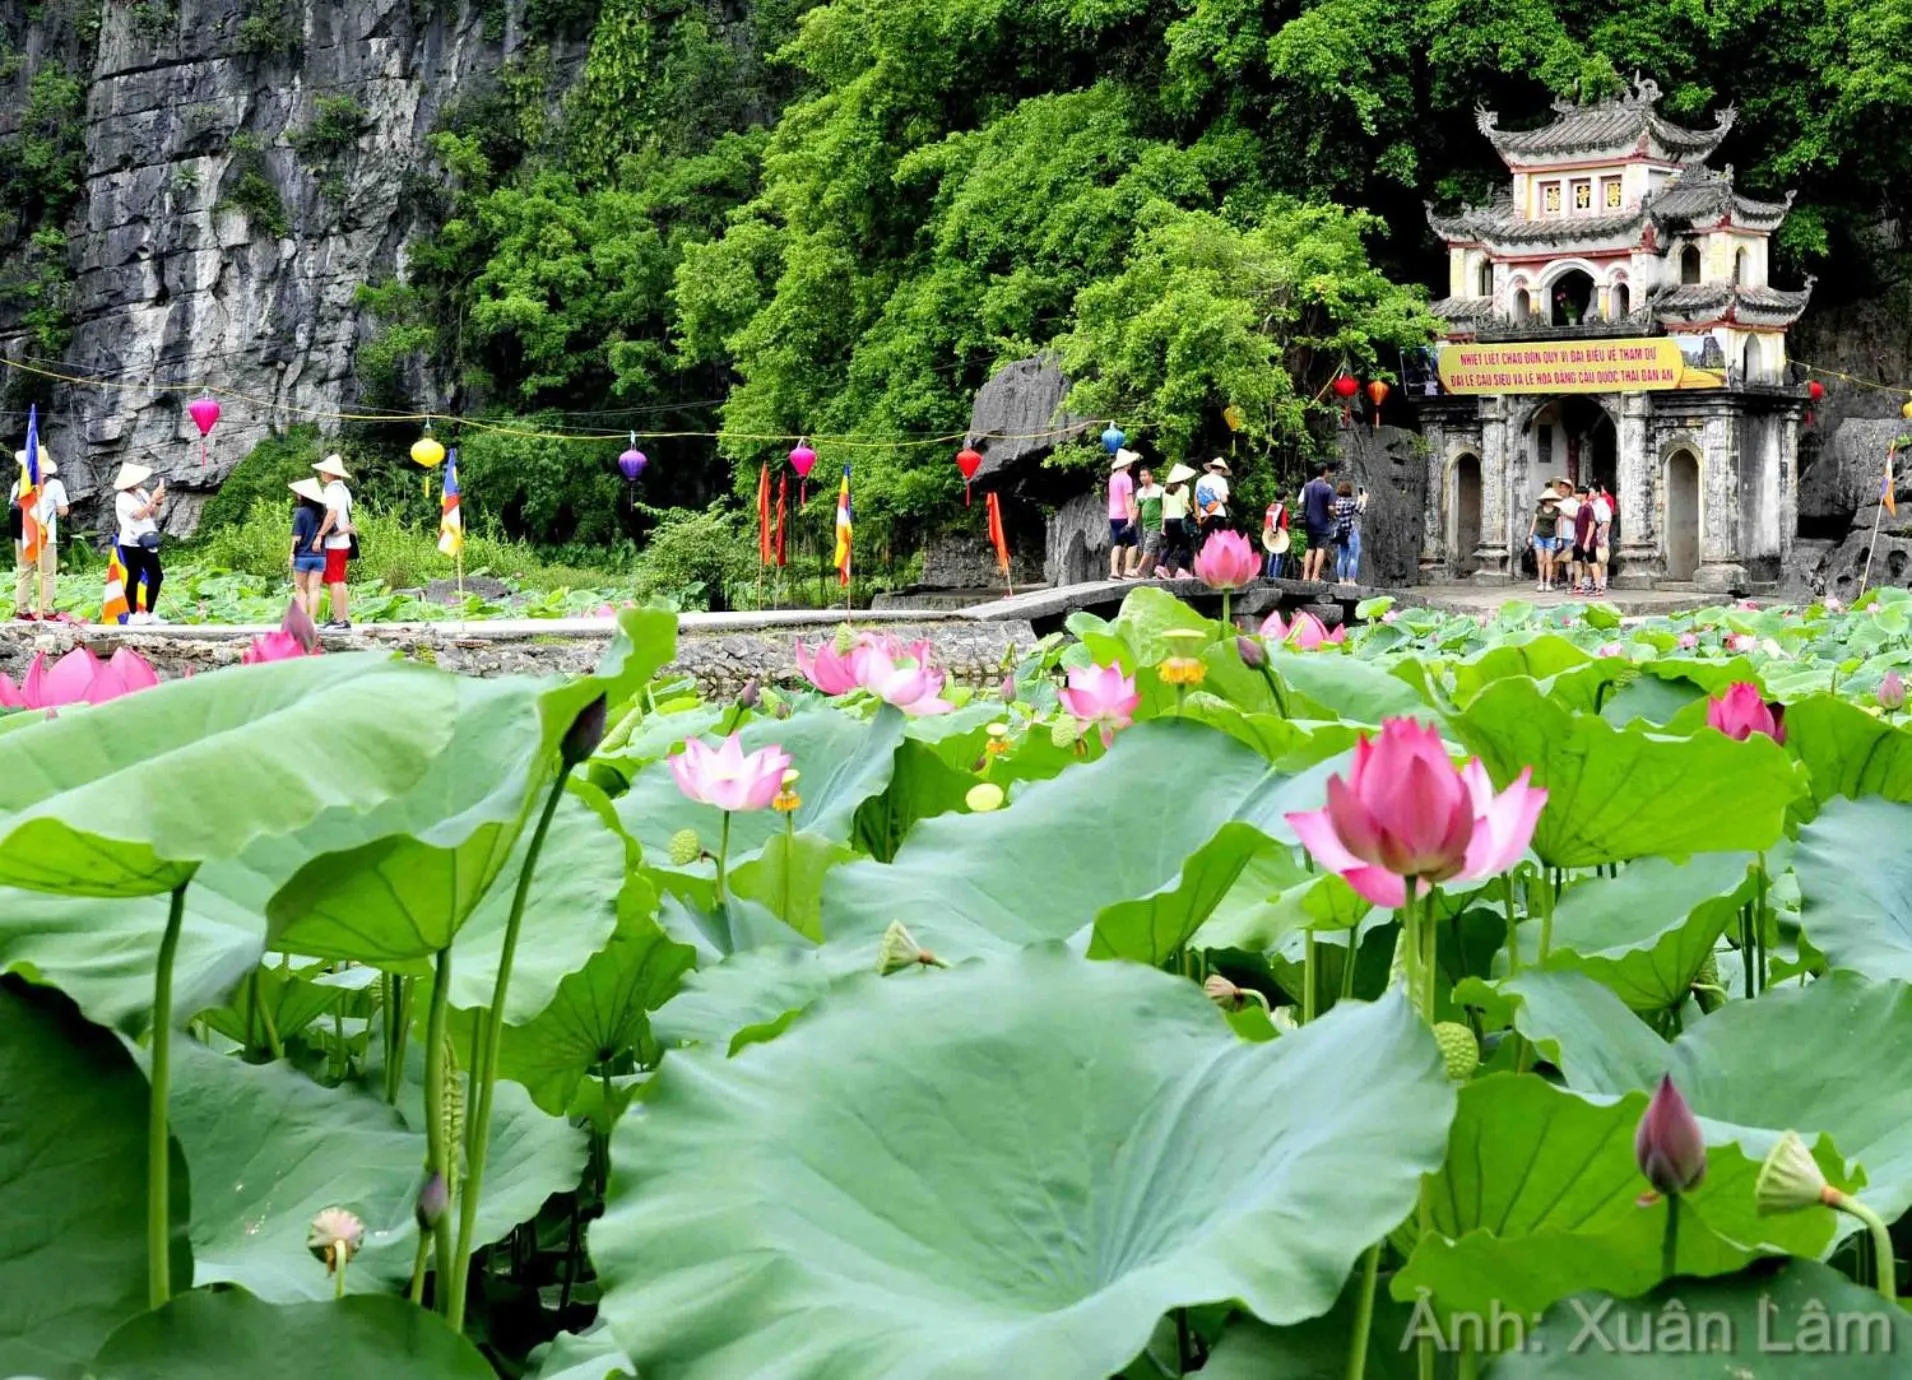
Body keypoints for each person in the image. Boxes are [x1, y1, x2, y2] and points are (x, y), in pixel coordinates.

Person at [10, 450, 66, 620]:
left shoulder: (19, 484)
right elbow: (63, 510)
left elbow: (14, 508)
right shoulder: (55, 484)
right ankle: (46, 610)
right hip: (44, 535)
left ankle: (22, 610)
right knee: (47, 574)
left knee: (24, 572)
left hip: (23, 535)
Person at [113, 462, 167, 624]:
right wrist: (152, 499)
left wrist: (157, 502)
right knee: (134, 576)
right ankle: (133, 613)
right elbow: (138, 515)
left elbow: (152, 514)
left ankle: (149, 611)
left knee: (156, 575)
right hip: (131, 542)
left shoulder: (141, 493)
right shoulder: (122, 497)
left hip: (147, 540)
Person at [311, 454, 355, 628]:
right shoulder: (344, 490)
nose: (322, 473)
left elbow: (332, 514)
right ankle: (343, 617)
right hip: (343, 541)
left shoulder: (332, 490)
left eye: (324, 471)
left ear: (330, 473)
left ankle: (339, 619)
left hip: (334, 543)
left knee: (334, 580)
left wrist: (320, 535)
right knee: (340, 580)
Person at [288, 477, 328, 617]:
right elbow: (332, 530)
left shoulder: (300, 512)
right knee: (315, 589)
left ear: (304, 495)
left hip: (303, 557)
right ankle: (311, 620)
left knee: (300, 589)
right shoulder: (323, 512)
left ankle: (303, 621)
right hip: (320, 557)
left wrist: (292, 554)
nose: (297, 495)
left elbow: (297, 538)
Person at [1300, 463, 1336, 582]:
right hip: (1322, 523)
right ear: (1325, 472)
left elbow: (1301, 503)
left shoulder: (1307, 486)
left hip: (1309, 521)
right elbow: (1331, 508)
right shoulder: (1327, 488)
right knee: (1321, 548)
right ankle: (1315, 576)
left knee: (1310, 548)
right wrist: (1334, 513)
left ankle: (1305, 576)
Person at [1128, 466, 1166, 579]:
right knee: (1152, 550)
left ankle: (1139, 571)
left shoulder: (1159, 490)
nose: (1142, 478)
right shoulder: (1140, 492)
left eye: (1145, 475)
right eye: (1141, 476)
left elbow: (1165, 507)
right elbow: (1136, 508)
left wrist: (1164, 523)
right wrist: (1131, 521)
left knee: (1149, 548)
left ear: (1151, 477)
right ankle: (1150, 574)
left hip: (1156, 524)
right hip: (1145, 525)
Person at [1160, 463, 1196, 577]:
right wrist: (1192, 512)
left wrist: (1163, 525)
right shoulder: (1184, 488)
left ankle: (1160, 567)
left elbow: (1164, 508)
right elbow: (1185, 504)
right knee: (1184, 546)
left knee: (1170, 546)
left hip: (1168, 520)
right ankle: (1182, 570)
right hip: (1180, 520)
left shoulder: (1164, 489)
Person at [1527, 480, 1563, 592]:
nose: (1550, 501)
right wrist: (1530, 535)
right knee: (1540, 560)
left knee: (1549, 560)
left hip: (1551, 537)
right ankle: (1541, 582)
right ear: (1545, 500)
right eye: (1548, 499)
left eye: (1552, 499)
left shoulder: (1557, 510)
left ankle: (1548, 583)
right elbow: (1534, 522)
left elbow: (1559, 525)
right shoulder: (1539, 509)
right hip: (1538, 536)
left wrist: (1559, 538)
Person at [1331, 481, 1366, 584]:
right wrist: (1363, 500)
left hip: (1341, 533)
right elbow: (1361, 511)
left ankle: (1341, 581)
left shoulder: (1336, 503)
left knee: (1341, 558)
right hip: (1351, 532)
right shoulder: (1350, 503)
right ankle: (1351, 581)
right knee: (1354, 557)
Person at [1552, 478, 1581, 593]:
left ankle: (1569, 581)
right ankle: (1555, 580)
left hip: (1569, 534)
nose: (1562, 490)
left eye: (1564, 488)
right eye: (1560, 487)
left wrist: (1566, 514)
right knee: (1555, 559)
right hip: (1556, 534)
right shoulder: (1556, 502)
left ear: (1569, 489)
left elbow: (1577, 518)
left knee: (1568, 559)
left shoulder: (1574, 503)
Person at [1194, 458, 1232, 541]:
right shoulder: (1221, 480)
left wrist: (1198, 516)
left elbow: (1196, 499)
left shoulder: (1200, 480)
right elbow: (1224, 500)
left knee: (1207, 542)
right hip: (1218, 514)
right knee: (1218, 543)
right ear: (1221, 469)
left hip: (1204, 516)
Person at [1570, 483, 1597, 594]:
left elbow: (1592, 525)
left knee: (1592, 563)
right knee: (1576, 561)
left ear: (1584, 495)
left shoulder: (1587, 508)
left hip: (1587, 541)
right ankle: (1578, 586)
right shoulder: (1580, 508)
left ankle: (1598, 587)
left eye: (1578, 493)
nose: (1575, 495)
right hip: (1579, 541)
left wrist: (1587, 542)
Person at [1589, 485, 1614, 595]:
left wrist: (1601, 537)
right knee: (1592, 560)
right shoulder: (1590, 504)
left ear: (1597, 493)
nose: (1589, 494)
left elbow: (1605, 522)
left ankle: (1602, 584)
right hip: (1592, 535)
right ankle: (1594, 582)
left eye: (1591, 492)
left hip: (1600, 535)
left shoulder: (1603, 505)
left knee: (1602, 560)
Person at [1262, 492, 1291, 579]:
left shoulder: (1271, 506)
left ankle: (1269, 575)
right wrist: (1275, 531)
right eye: (1287, 497)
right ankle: (1276, 577)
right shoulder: (1280, 507)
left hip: (1269, 533)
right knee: (1279, 556)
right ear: (1284, 497)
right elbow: (1274, 520)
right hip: (1278, 533)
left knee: (1272, 554)